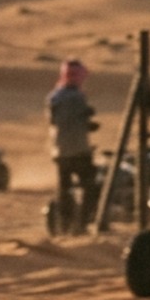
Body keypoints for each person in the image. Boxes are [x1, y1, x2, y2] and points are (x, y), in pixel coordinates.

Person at [46, 58, 99, 234]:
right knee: (91, 186)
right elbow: (81, 120)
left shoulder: (54, 96)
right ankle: (82, 223)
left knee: (64, 189)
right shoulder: (78, 96)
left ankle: (64, 223)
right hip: (80, 150)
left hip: (60, 151)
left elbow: (53, 121)